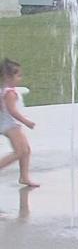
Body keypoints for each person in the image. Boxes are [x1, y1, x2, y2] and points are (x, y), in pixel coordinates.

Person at [0, 59, 38, 187]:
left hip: (12, 124)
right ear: (8, 77)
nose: (20, 78)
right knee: (20, 151)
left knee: (26, 150)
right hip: (11, 125)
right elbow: (12, 111)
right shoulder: (9, 93)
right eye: (18, 75)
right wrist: (26, 122)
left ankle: (24, 177)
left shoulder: (6, 90)